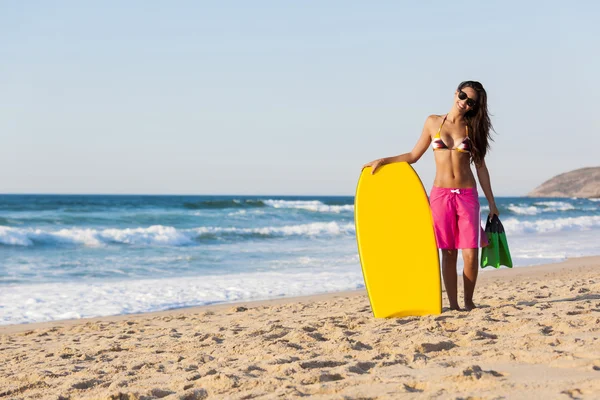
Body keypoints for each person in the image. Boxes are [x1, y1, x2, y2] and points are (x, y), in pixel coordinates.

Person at [362, 81, 499, 311]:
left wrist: (492, 203)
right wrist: (384, 160)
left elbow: (481, 167)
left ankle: (468, 302)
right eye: (463, 95)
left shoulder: (472, 128)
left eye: (471, 101)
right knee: (447, 252)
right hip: (440, 195)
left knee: (471, 253)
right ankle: (454, 305)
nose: (465, 102)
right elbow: (414, 155)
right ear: (456, 92)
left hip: (467, 195)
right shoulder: (433, 122)